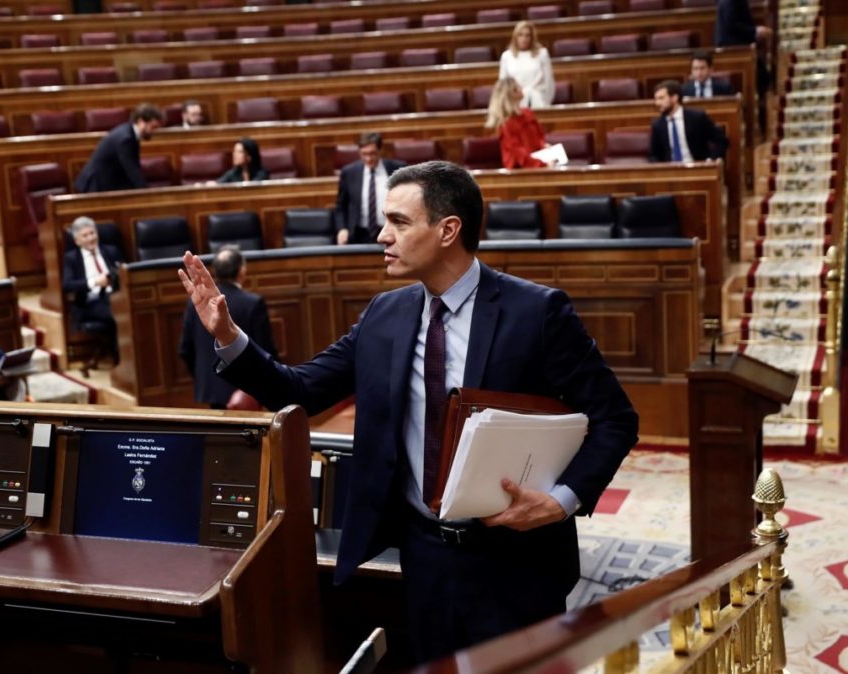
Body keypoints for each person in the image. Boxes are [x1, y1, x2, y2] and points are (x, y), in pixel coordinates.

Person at [178, 161, 639, 662]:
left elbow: (616, 418)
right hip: (424, 557)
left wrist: (560, 501)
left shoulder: (537, 313)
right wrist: (227, 336)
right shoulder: (385, 314)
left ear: (448, 230)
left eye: (398, 222)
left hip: (516, 560)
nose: (381, 235)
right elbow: (302, 390)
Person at [179, 246, 278, 407]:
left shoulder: (195, 303)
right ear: (242, 271)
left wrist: (205, 376)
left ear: (215, 271)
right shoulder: (253, 303)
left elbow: (185, 349)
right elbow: (265, 349)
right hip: (247, 389)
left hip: (210, 388)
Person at [62, 216, 122, 363]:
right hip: (89, 304)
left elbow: (124, 272)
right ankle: (120, 360)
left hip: (115, 297)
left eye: (92, 233)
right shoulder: (72, 258)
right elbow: (67, 285)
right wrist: (94, 282)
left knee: (125, 310)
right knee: (119, 315)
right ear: (77, 241)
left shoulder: (111, 251)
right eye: (85, 235)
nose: (91, 238)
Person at [334, 131, 406, 245]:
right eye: (364, 154)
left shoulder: (398, 169)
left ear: (380, 150)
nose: (368, 159)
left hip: (391, 231)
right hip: (359, 234)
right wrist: (342, 229)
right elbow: (340, 206)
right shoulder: (349, 172)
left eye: (373, 153)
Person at [74, 103, 163, 193]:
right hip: (95, 185)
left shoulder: (129, 132)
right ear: (141, 122)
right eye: (153, 127)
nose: (154, 131)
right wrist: (148, 195)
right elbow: (132, 171)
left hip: (105, 182)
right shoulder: (126, 139)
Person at [649, 80, 729, 163]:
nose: (657, 103)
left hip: (698, 168)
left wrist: (710, 160)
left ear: (674, 98)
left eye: (661, 98)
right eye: (656, 99)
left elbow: (722, 141)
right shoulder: (657, 124)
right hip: (671, 171)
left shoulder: (696, 117)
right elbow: (653, 155)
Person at [485, 78, 549, 169]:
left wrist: (545, 147)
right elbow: (519, 154)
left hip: (538, 163)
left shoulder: (528, 113)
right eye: (517, 87)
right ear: (512, 93)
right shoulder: (506, 125)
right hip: (519, 171)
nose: (521, 88)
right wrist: (543, 165)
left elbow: (540, 137)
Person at [498, 21, 555, 109]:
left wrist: (546, 103)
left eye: (527, 35)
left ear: (532, 37)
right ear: (515, 37)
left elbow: (549, 83)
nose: (524, 39)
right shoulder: (506, 56)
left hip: (539, 100)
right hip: (515, 103)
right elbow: (504, 84)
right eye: (520, 35)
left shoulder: (542, 54)